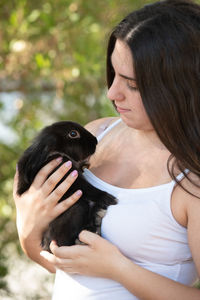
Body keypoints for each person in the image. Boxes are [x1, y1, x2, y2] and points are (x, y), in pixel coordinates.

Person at [13, 0, 200, 299]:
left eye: (133, 85)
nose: (113, 93)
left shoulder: (192, 180)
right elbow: (58, 265)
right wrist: (28, 231)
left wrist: (119, 269)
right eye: (114, 74)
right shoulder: (97, 134)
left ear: (181, 86)